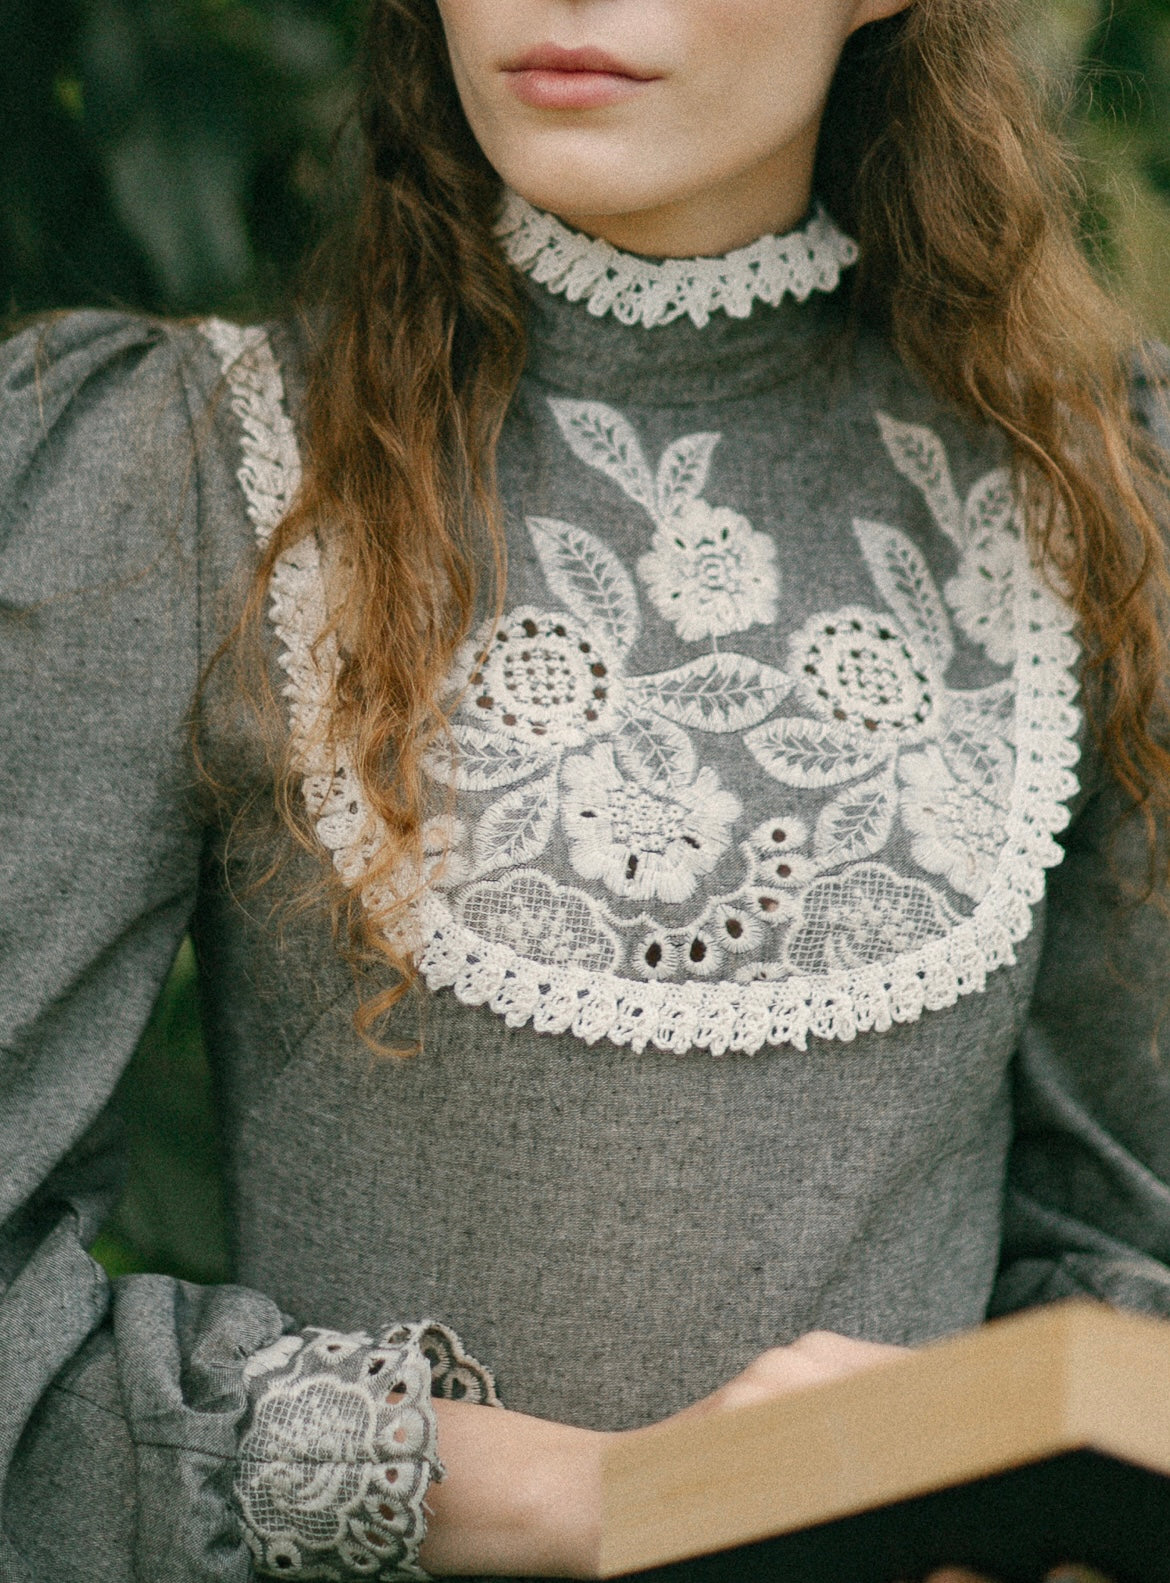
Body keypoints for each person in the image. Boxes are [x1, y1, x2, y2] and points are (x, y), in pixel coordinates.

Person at [3, 0, 1170, 1577]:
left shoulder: (1093, 505)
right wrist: (574, 1495)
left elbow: (1132, 1256)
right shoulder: (191, 475)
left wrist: (958, 1459)